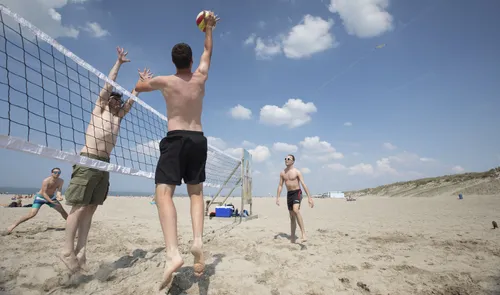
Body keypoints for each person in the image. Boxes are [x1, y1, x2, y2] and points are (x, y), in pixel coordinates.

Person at [134, 11, 219, 292]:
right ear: (191, 61)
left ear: (174, 62)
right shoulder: (201, 76)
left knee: (163, 193)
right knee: (196, 193)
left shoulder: (164, 81)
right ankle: (197, 239)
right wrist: (209, 28)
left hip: (175, 137)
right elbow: (208, 49)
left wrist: (145, 79)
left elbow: (138, 87)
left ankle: (173, 252)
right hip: (198, 138)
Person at [59, 47, 140, 273]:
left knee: (92, 207)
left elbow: (132, 101)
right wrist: (119, 63)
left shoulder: (118, 117)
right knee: (79, 206)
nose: (116, 100)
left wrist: (139, 86)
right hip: (88, 160)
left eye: (118, 99)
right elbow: (108, 83)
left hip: (104, 165)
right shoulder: (99, 110)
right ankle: (67, 249)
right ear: (107, 100)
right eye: (113, 97)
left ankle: (81, 252)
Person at [6, 168, 67, 234]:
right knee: (32, 214)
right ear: (51, 173)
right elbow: (44, 193)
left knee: (62, 211)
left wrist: (59, 196)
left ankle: (72, 225)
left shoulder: (61, 181)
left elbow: (59, 190)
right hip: (40, 198)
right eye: (55, 172)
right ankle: (13, 226)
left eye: (59, 172)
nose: (57, 174)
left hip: (51, 198)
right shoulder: (46, 180)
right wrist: (50, 201)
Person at [276, 154, 314, 243]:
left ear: (293, 161)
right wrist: (278, 197)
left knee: (296, 210)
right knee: (292, 216)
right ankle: (292, 237)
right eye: (285, 158)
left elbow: (303, 184)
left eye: (288, 159)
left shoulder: (297, 172)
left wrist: (309, 197)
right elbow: (280, 185)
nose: (286, 160)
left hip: (297, 192)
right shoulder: (282, 173)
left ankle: (303, 234)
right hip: (289, 194)